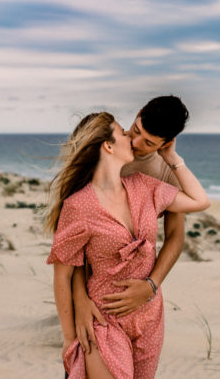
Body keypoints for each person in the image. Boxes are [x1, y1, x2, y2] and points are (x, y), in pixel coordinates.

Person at [45, 111, 210, 379]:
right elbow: (62, 273)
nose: (131, 140)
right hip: (104, 317)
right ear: (108, 145)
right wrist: (69, 338)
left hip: (149, 318)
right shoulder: (78, 205)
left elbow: (200, 201)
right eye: (125, 132)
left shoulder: (145, 185)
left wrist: (172, 159)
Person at [72, 96, 189, 355]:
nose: (136, 143)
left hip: (142, 305)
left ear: (166, 143)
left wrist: (151, 286)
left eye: (149, 143)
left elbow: (175, 237)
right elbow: (72, 241)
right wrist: (79, 299)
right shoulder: (105, 149)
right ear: (137, 113)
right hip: (93, 296)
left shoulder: (167, 172)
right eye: (136, 130)